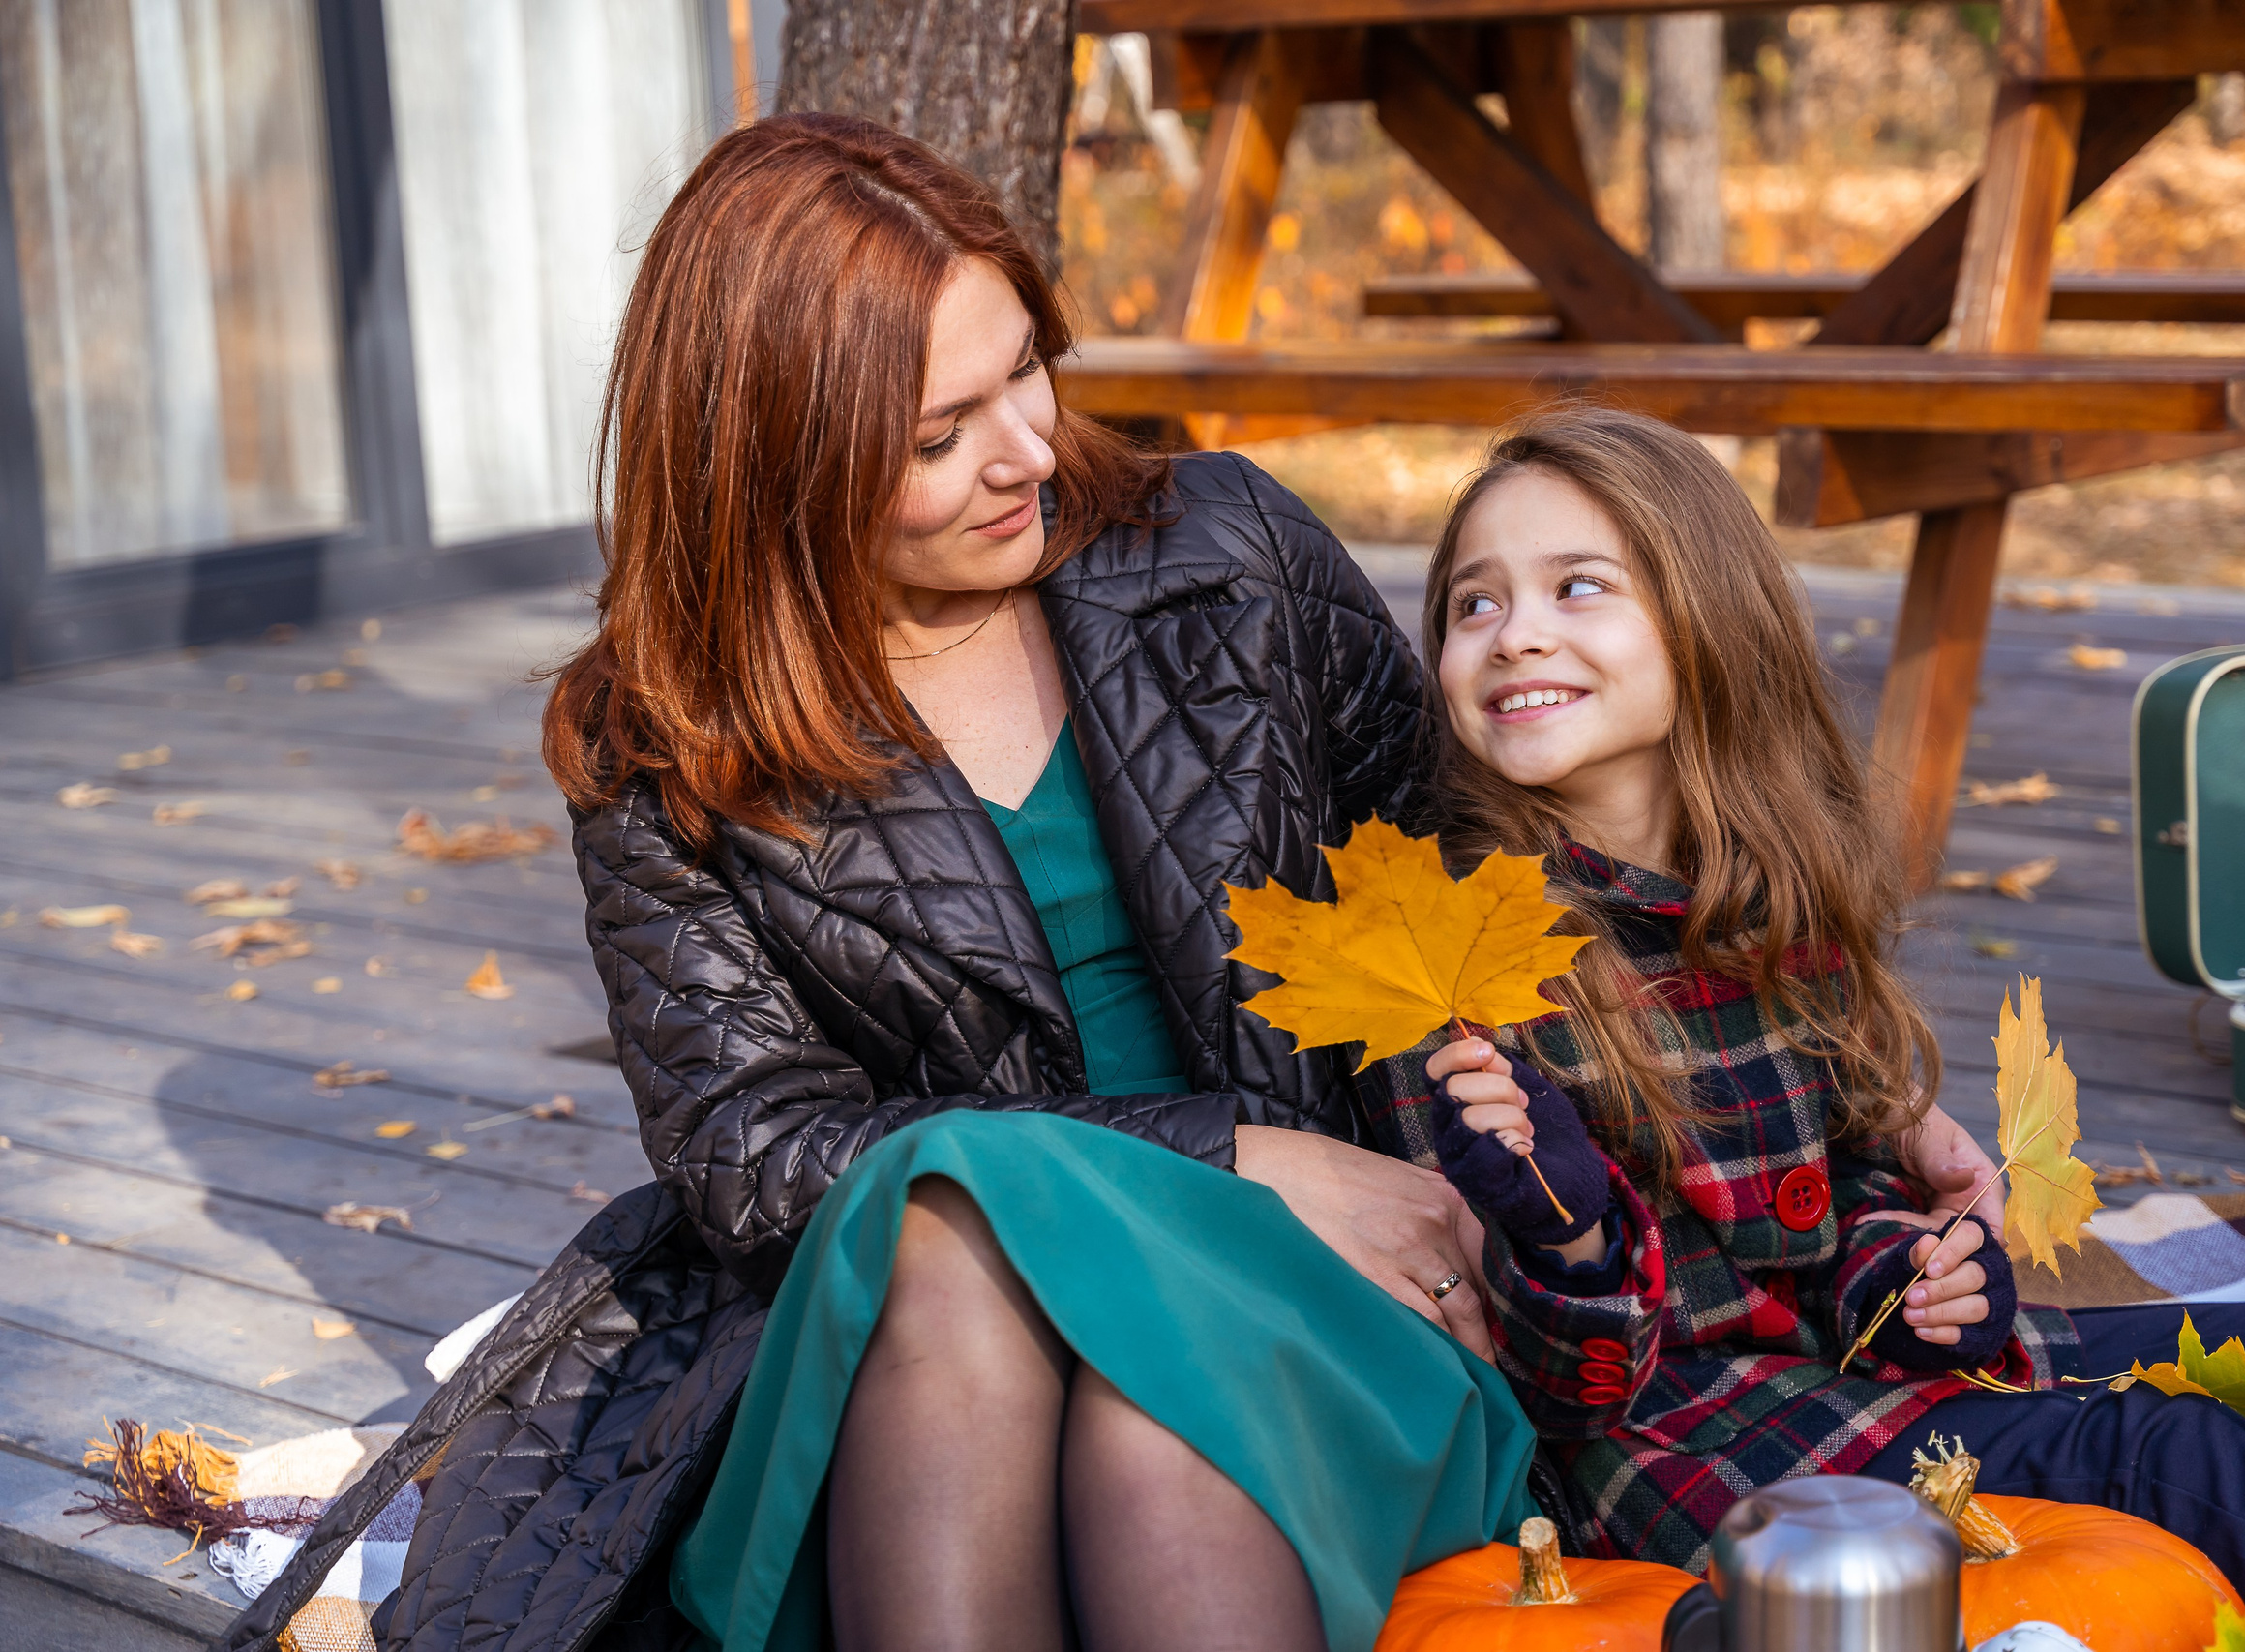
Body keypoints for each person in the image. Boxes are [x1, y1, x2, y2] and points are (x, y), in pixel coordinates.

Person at [220, 113, 1534, 1652]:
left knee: (1160, 1407)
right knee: (939, 1230)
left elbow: (1491, 880)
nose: (1028, 450)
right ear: (777, 462)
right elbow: (758, 1156)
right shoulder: (673, 743)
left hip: (1321, 1293)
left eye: (1025, 369)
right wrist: (1224, 1151)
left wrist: (1805, 1095)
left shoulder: (1228, 552)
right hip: (932, 1365)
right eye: (937, 436)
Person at [1353, 403, 2245, 1616]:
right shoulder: (1462, 977)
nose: (1513, 634)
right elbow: (1558, 1393)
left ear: (1710, 626)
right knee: (2161, 1457)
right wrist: (1559, 1230)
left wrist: (1931, 1284)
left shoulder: (1765, 898)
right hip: (1702, 1449)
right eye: (1472, 603)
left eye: (1577, 588)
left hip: (1847, 1365)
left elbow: (1850, 1214)